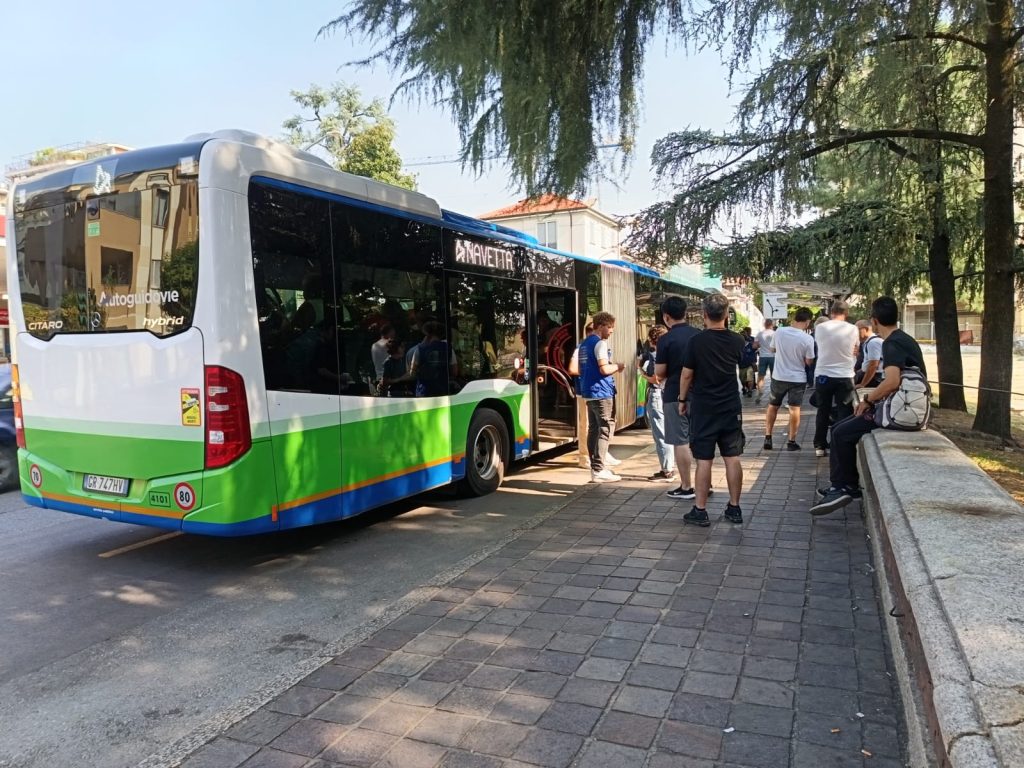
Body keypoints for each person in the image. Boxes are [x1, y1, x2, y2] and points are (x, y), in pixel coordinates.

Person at [811, 297, 927, 515]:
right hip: (904, 405)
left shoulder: (891, 343)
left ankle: (842, 487)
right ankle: (848, 485)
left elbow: (892, 380)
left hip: (900, 412)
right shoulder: (904, 338)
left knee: (839, 432)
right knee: (841, 426)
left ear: (874, 321)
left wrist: (868, 400)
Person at [677, 293, 746, 526]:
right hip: (730, 407)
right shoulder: (737, 340)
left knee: (704, 459)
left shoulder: (696, 341)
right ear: (727, 314)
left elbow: (687, 374)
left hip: (704, 407)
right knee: (732, 457)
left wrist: (682, 399)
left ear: (704, 315)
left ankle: (700, 509)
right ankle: (734, 507)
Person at [655, 296, 700, 499]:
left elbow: (660, 372)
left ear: (666, 317)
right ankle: (703, 484)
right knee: (699, 440)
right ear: (685, 313)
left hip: (674, 394)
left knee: (680, 441)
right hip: (700, 394)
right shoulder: (699, 335)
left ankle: (686, 486)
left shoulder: (665, 339)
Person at [577, 312, 626, 482]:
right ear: (601, 325)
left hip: (588, 391)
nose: (611, 331)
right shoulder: (600, 344)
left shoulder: (584, 344)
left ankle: (595, 467)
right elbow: (604, 369)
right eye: (610, 327)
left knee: (594, 430)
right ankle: (598, 469)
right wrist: (618, 366)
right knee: (604, 429)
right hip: (601, 391)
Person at [810, 301, 860, 457]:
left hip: (823, 374)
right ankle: (838, 443)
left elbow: (820, 345)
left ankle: (819, 446)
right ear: (846, 313)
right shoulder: (853, 329)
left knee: (822, 410)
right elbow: (855, 350)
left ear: (831, 312)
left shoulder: (820, 328)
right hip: (845, 375)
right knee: (844, 410)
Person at [763, 307, 816, 451]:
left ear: (794, 318)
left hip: (778, 376)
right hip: (797, 378)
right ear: (808, 322)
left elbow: (772, 349)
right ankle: (791, 442)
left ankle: (768, 437)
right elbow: (809, 361)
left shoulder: (779, 331)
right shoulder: (808, 338)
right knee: (794, 409)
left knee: (773, 406)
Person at [639, 325, 676, 482]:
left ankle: (667, 470)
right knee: (670, 432)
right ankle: (669, 467)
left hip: (657, 395)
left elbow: (656, 379)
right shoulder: (671, 354)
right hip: (670, 395)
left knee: (660, 433)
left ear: (651, 340)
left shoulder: (654, 355)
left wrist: (641, 373)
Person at [409, 320, 457, 396]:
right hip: (443, 391)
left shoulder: (419, 349)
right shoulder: (449, 349)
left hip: (424, 392)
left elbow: (412, 373)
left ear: (426, 334)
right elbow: (455, 372)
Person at [854, 319, 884, 390]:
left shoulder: (873, 342)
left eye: (857, 330)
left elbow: (873, 365)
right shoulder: (869, 342)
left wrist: (863, 384)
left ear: (866, 329)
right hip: (870, 377)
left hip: (874, 379)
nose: (855, 333)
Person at [754, 319, 776, 404]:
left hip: (763, 356)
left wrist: (760, 345)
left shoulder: (760, 334)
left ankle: (760, 392)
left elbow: (754, 346)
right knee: (774, 376)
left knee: (761, 376)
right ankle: (773, 394)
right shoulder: (775, 334)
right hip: (773, 357)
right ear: (772, 324)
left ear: (764, 324)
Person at [739, 327, 758, 396]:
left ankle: (750, 390)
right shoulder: (738, 346)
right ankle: (744, 387)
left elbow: (757, 346)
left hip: (750, 364)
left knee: (750, 378)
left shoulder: (751, 344)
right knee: (742, 379)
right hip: (741, 365)